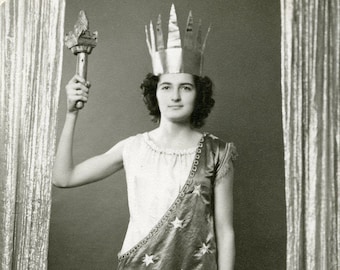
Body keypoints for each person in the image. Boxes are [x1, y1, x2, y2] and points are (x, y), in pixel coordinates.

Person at [53, 4, 236, 270]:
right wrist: (71, 114)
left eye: (185, 87)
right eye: (166, 87)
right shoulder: (134, 147)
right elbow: (63, 177)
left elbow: (225, 230)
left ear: (198, 94)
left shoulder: (217, 152)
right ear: (155, 92)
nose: (175, 96)